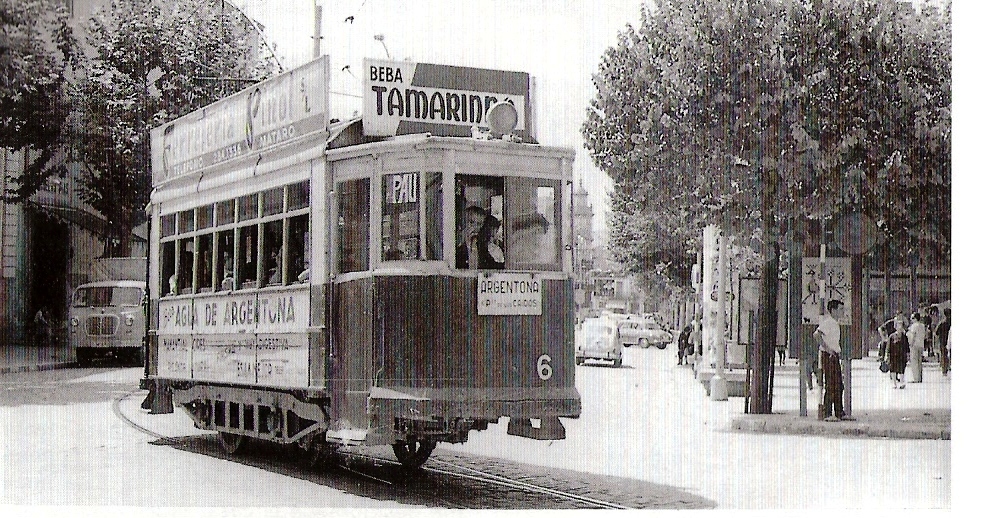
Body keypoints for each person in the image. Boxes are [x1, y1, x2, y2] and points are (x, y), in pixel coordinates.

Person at [813, 299, 849, 421]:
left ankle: (839, 412)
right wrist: (827, 349)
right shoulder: (828, 322)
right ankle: (827, 413)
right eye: (840, 310)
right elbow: (816, 335)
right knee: (831, 383)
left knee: (838, 384)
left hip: (834, 355)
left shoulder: (835, 323)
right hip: (828, 355)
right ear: (833, 310)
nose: (842, 312)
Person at [887, 314, 910, 389]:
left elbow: (907, 346)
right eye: (898, 325)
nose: (900, 327)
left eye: (901, 325)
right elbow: (888, 347)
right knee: (893, 369)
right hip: (893, 355)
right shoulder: (892, 336)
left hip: (902, 355)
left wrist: (908, 355)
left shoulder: (904, 336)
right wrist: (887, 356)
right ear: (895, 327)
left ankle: (902, 382)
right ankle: (894, 383)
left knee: (902, 369)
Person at [906, 312, 926, 383]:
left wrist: (910, 343)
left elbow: (913, 335)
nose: (911, 320)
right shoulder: (922, 326)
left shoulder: (914, 326)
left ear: (915, 318)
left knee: (914, 362)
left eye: (912, 318)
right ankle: (920, 378)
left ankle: (916, 378)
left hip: (914, 345)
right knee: (919, 361)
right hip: (921, 345)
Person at [937, 307, 950, 375]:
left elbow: (936, 332)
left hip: (943, 341)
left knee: (944, 355)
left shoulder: (941, 323)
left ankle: (944, 370)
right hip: (950, 341)